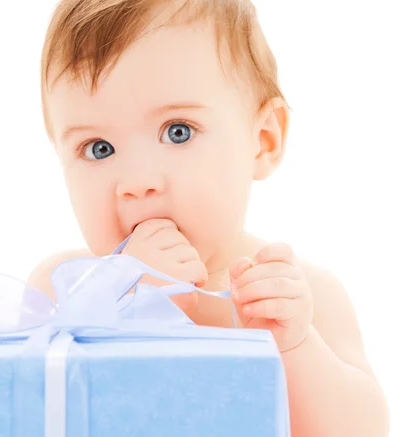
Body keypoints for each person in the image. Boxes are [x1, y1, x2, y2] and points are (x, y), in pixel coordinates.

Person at [28, 1, 389, 435]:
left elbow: (364, 429)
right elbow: (28, 414)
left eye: (177, 131)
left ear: (263, 140)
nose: (138, 181)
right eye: (98, 148)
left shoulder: (298, 296)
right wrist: (122, 317)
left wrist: (294, 347)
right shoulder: (63, 288)